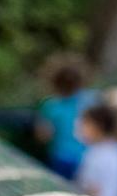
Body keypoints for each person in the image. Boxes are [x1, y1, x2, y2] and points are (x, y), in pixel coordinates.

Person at [34, 52, 99, 180]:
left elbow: (43, 136)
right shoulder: (91, 100)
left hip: (61, 158)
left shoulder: (51, 105)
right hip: (86, 157)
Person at [75, 104, 117, 196]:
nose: (80, 128)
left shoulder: (103, 154)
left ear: (98, 125)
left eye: (85, 123)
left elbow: (93, 191)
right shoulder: (116, 150)